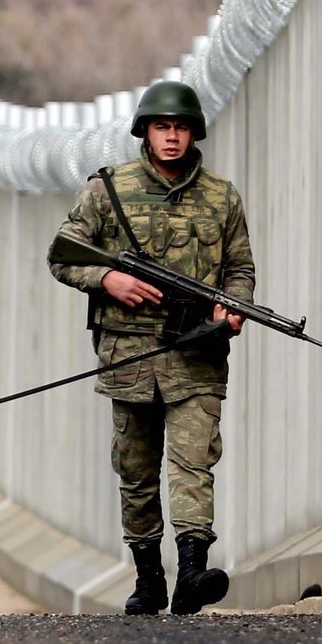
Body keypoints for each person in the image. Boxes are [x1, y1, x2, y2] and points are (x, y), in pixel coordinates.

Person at [48, 80, 254, 616]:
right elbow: (62, 256)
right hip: (130, 356)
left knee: (193, 464)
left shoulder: (221, 196)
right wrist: (107, 279)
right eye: (162, 127)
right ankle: (148, 577)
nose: (171, 137)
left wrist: (232, 307)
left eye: (180, 127)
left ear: (194, 134)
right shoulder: (106, 191)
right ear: (145, 131)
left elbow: (239, 268)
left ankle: (191, 572)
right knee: (136, 472)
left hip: (195, 355)